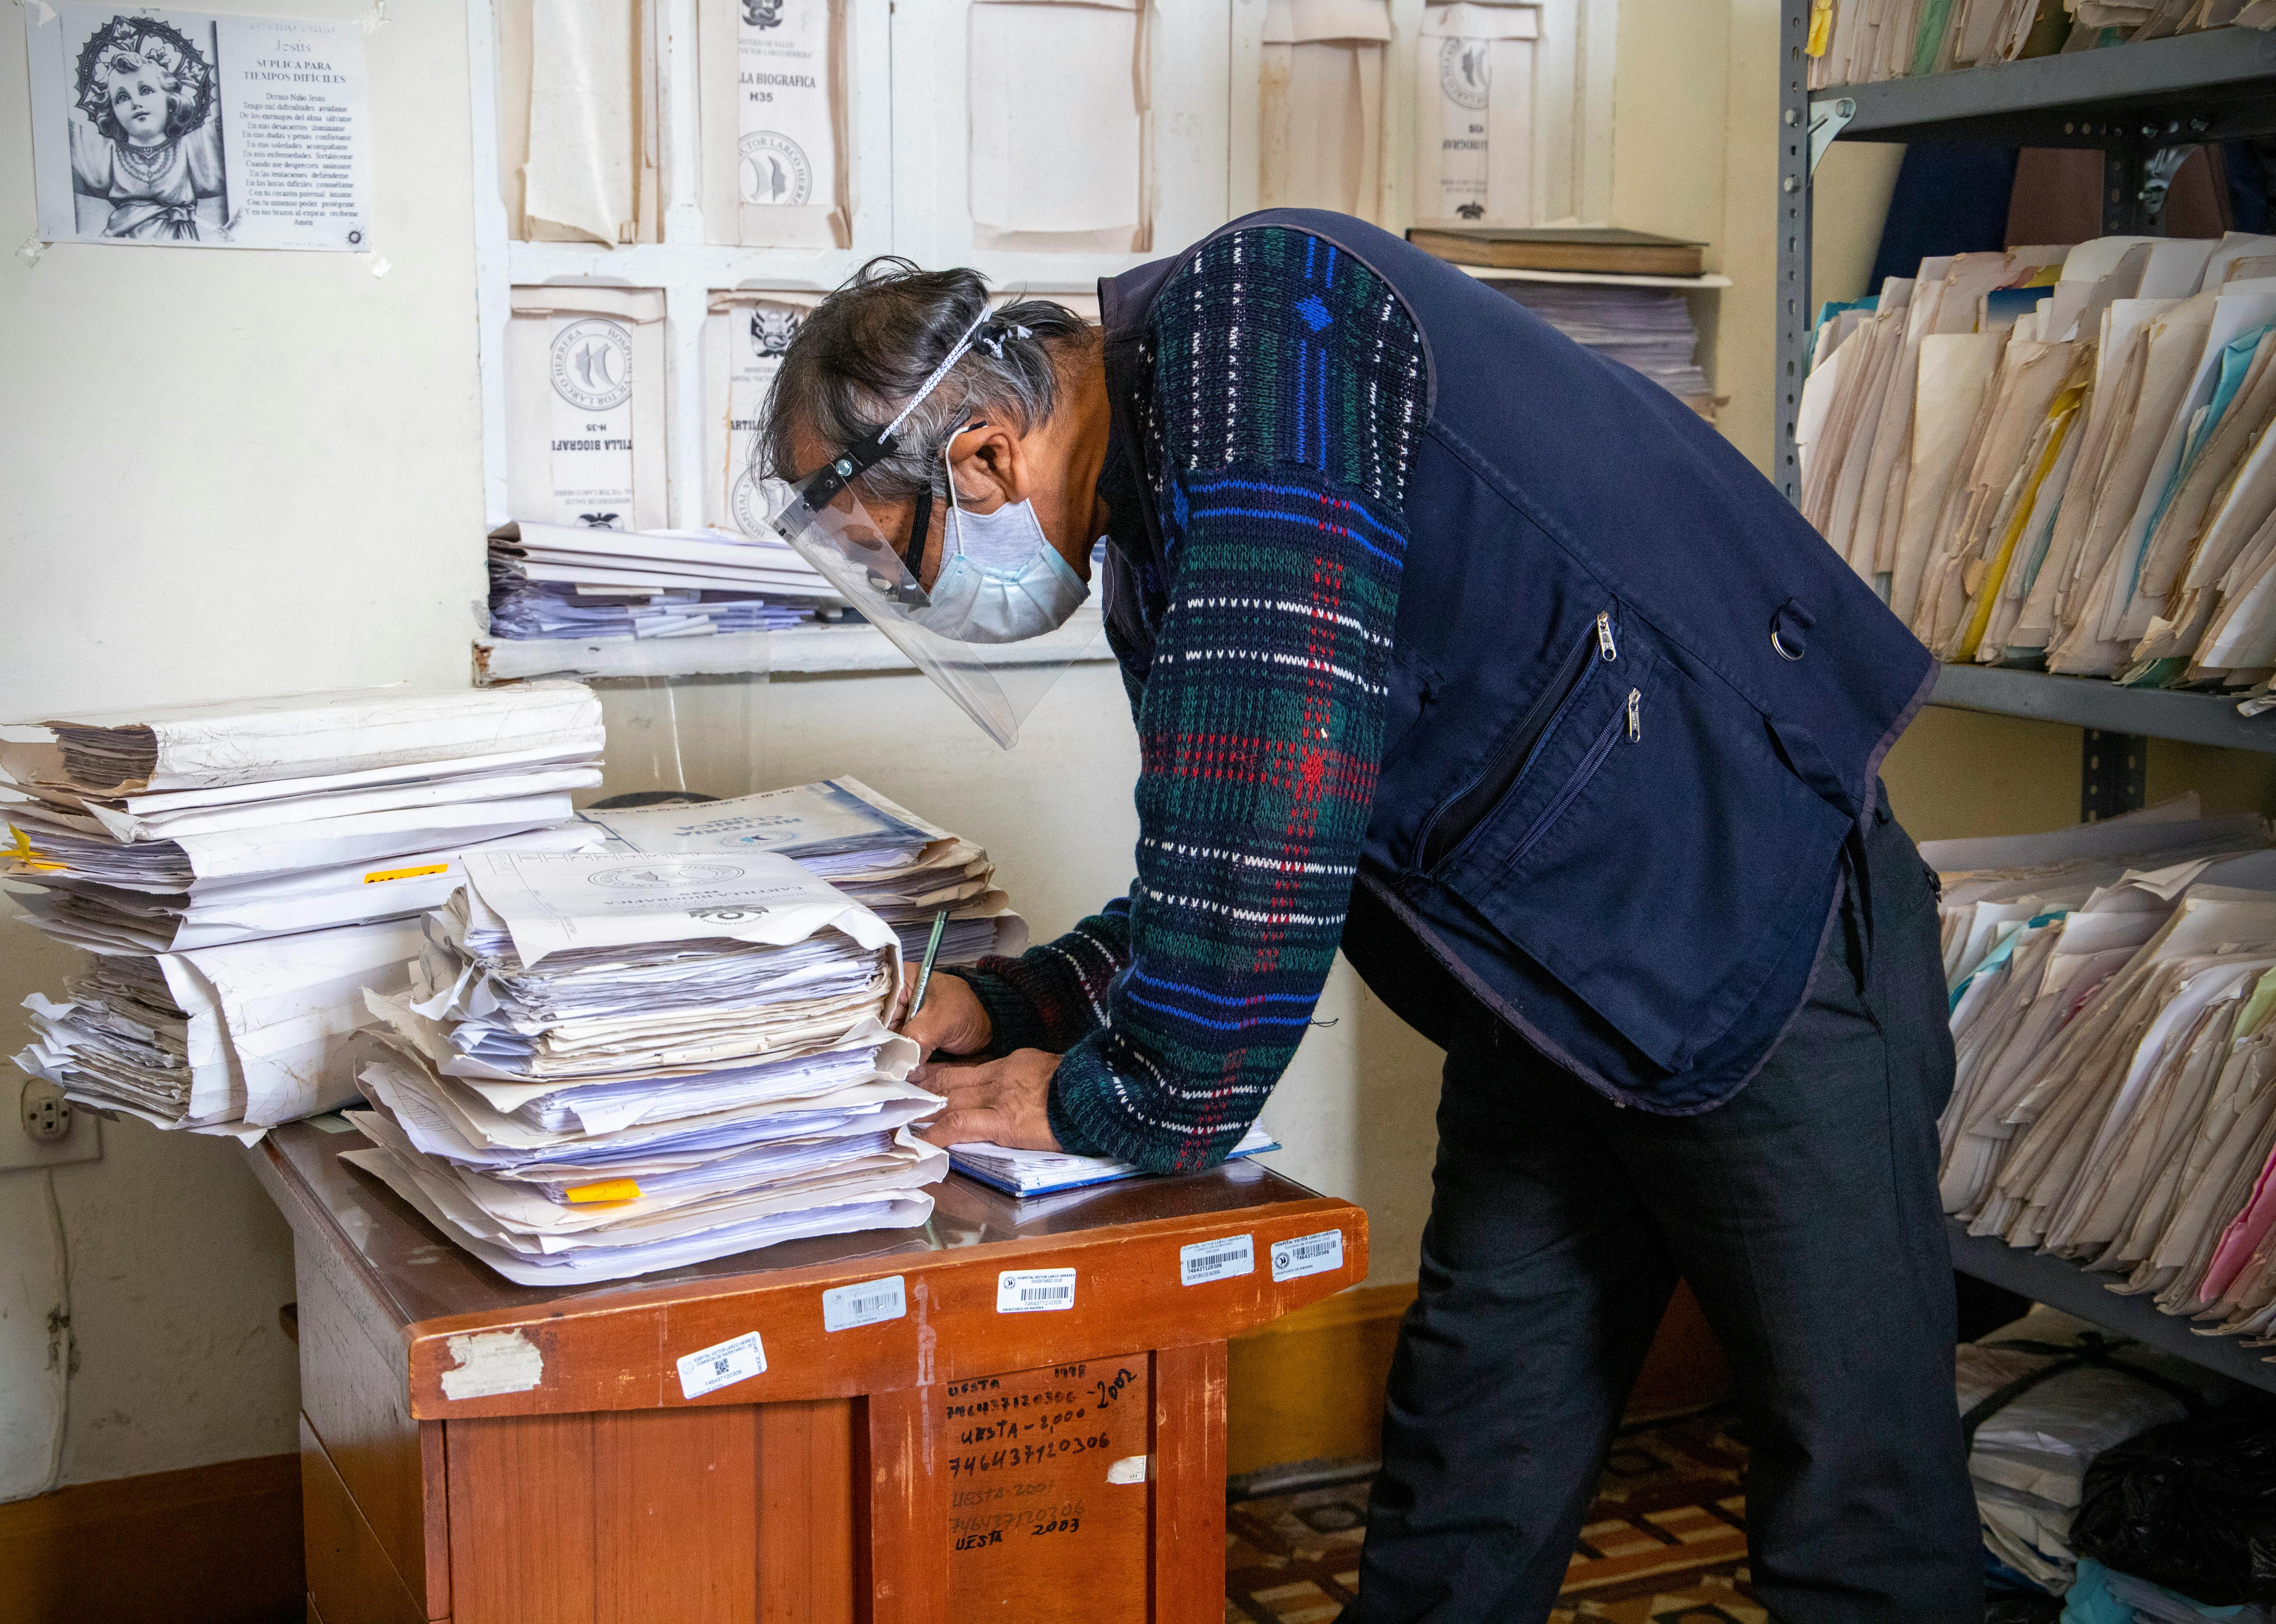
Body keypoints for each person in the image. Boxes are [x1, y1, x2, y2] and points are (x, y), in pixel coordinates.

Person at [753, 209, 1982, 1623]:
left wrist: (1108, 1103)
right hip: (1556, 990)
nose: (915, 592)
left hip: (1756, 932)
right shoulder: (1166, 516)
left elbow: (1267, 826)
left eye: (893, 554)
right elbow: (1235, 861)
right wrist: (1015, 1008)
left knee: (1857, 1510)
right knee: (1465, 1465)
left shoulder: (1261, 337)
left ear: (982, 453)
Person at [68, 17, 226, 242]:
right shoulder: (107, 153)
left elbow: (227, 138)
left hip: (180, 243)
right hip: (124, 241)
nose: (136, 103)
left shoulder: (190, 146)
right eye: (122, 98)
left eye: (146, 91)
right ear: (111, 111)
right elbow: (66, 138)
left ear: (171, 101)